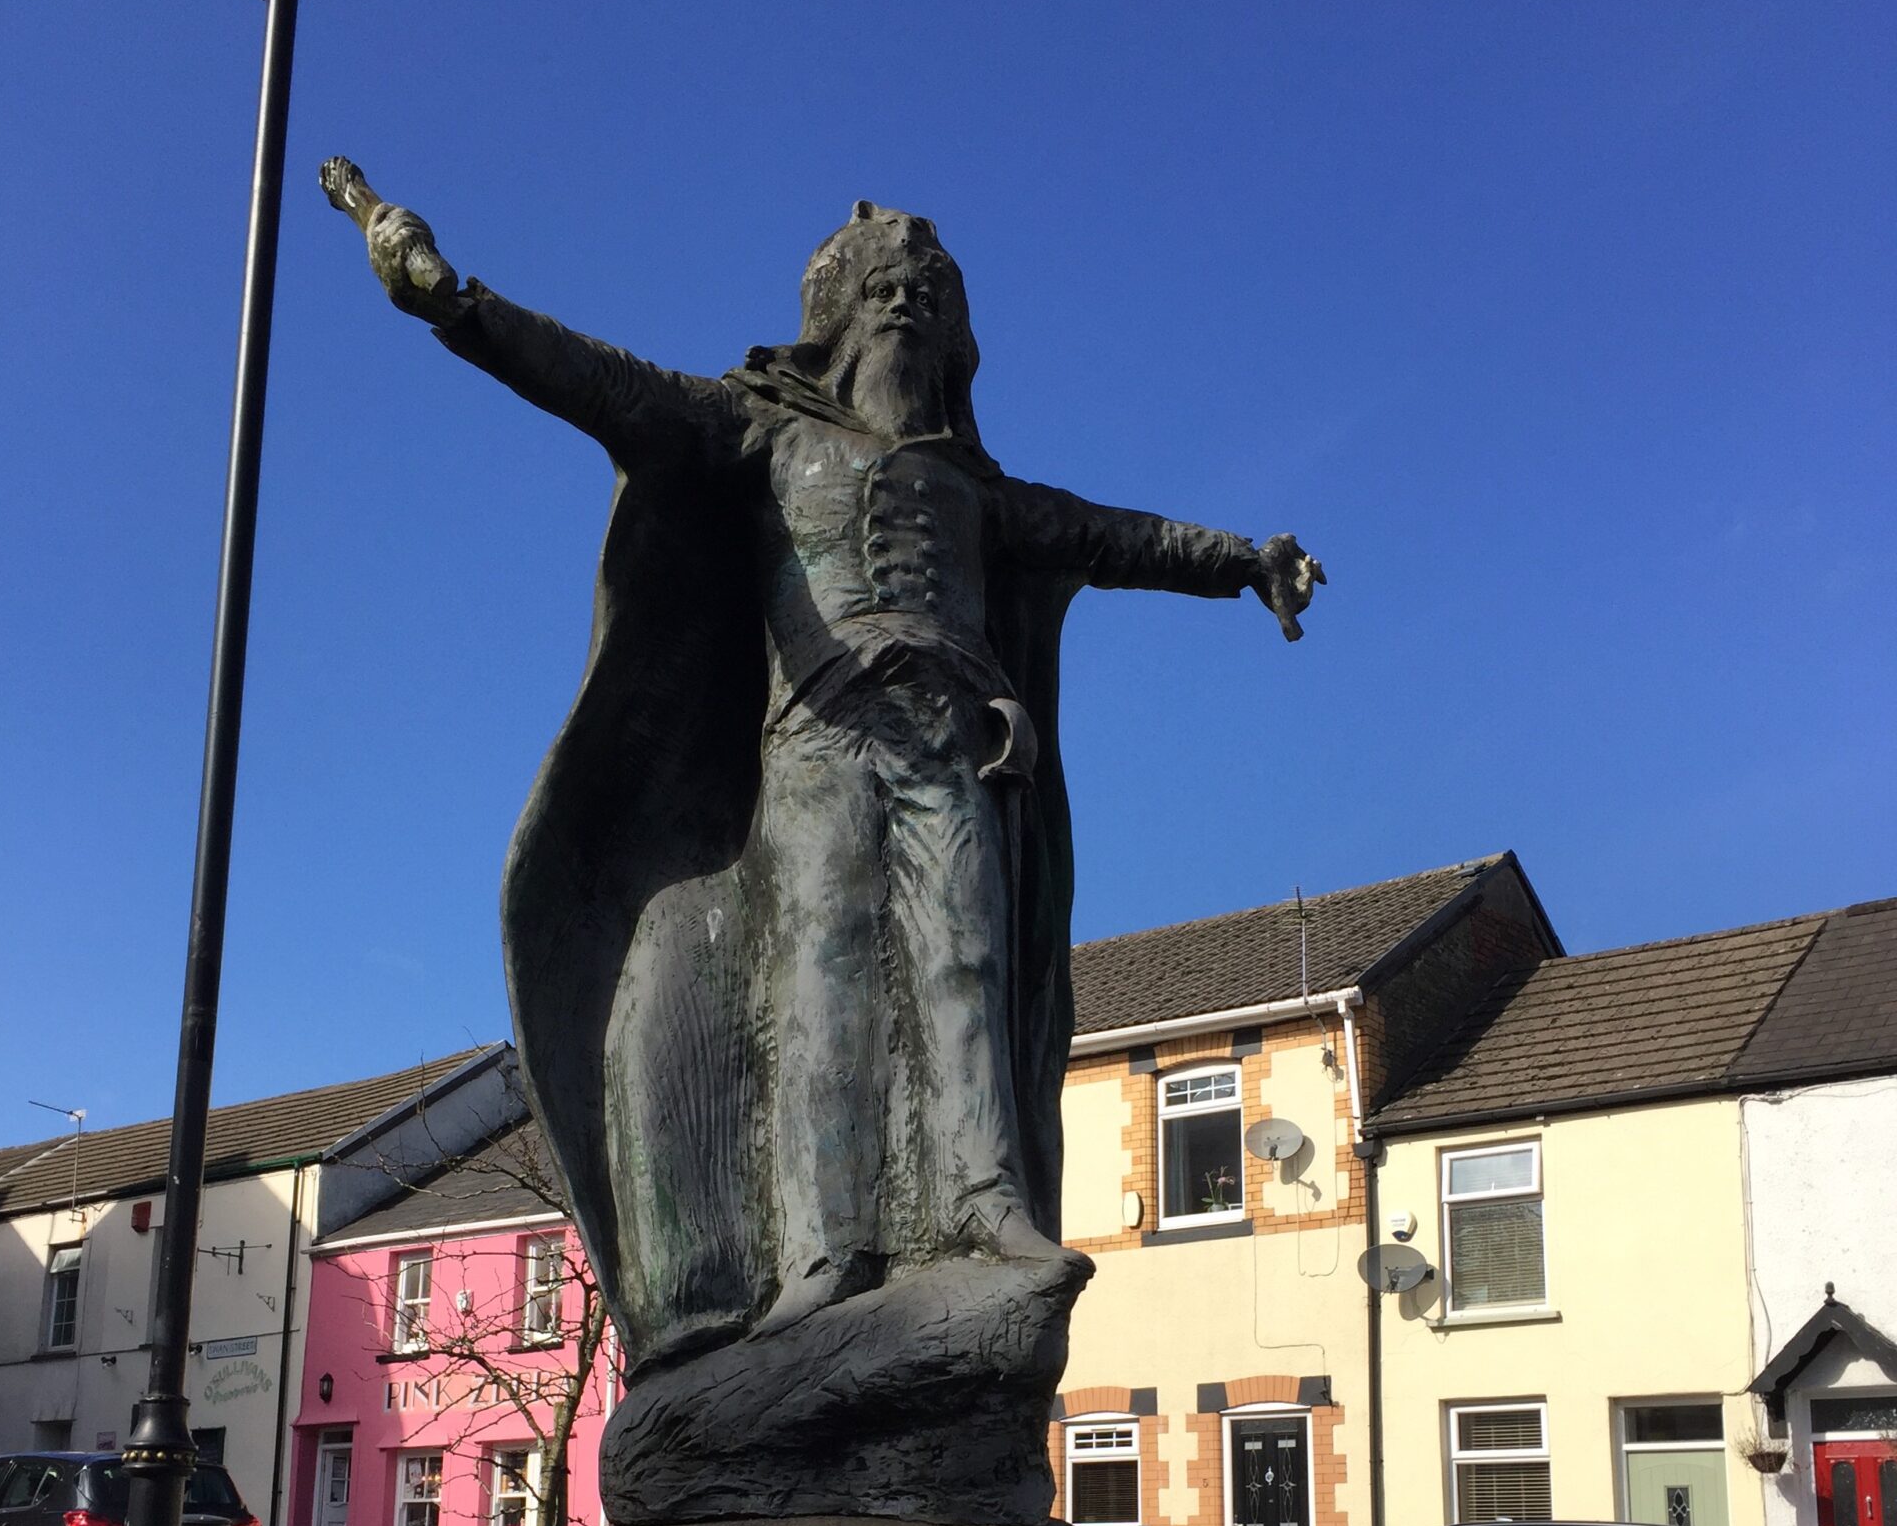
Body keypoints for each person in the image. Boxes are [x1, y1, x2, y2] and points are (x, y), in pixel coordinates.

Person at [324, 174, 1323, 1371]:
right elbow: (602, 384)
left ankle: (987, 1208)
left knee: (967, 967)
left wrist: (1246, 560)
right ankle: (822, 1256)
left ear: (952, 335)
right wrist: (458, 304)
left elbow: (1120, 537)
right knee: (826, 991)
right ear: (839, 314)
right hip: (817, 747)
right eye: (883, 290)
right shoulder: (761, 427)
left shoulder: (977, 485)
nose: (903, 306)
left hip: (950, 740)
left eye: (926, 295)